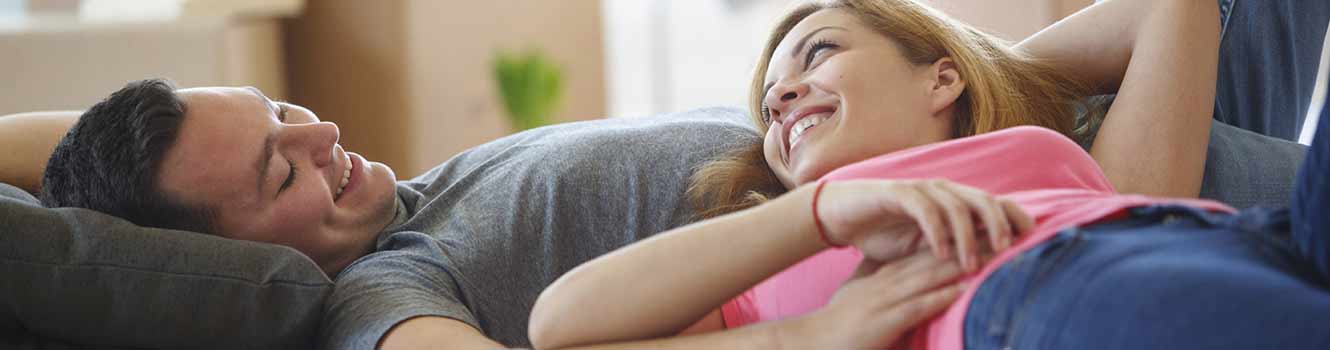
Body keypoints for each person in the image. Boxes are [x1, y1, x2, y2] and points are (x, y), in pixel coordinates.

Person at [0, 0, 1316, 349]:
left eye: (288, 109)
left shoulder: (455, 171)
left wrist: (951, 73)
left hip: (1002, 127)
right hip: (1078, 201)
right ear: (250, 247)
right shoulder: (387, 285)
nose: (322, 139)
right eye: (279, 170)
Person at [529, 0, 1330, 349]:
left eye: (821, 52)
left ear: (940, 79)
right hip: (1052, 291)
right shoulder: (778, 260)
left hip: (1233, 235)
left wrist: (973, 72)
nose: (780, 96)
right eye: (770, 104)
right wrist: (806, 329)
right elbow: (559, 327)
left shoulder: (1044, 157)